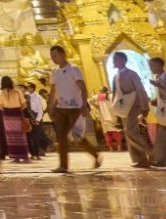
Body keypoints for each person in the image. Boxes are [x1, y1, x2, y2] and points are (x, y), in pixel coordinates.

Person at [48, 45, 101, 173]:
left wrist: (83, 104)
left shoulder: (74, 69)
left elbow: (82, 87)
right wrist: (50, 106)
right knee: (61, 137)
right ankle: (63, 165)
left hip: (74, 107)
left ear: (63, 54)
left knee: (77, 137)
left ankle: (95, 155)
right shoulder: (54, 72)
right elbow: (54, 90)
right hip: (61, 107)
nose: (53, 58)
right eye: (52, 57)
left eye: (55, 55)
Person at [111, 51, 152, 167]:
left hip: (134, 105)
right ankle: (139, 159)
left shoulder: (131, 74)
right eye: (114, 59)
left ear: (123, 60)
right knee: (127, 131)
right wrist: (115, 110)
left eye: (116, 59)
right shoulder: (115, 76)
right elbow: (115, 94)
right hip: (123, 107)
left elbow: (140, 89)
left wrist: (144, 106)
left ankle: (149, 152)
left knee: (130, 130)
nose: (114, 61)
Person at [0, 76, 30, 162]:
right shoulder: (17, 92)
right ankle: (24, 154)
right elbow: (24, 105)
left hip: (7, 115)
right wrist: (18, 108)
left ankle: (15, 155)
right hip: (17, 113)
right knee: (21, 135)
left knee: (11, 136)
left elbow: (0, 107)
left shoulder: (0, 94)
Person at [89, 87, 122, 151]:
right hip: (113, 117)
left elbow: (90, 101)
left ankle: (111, 149)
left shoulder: (100, 97)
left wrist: (97, 106)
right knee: (116, 133)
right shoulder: (111, 96)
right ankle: (119, 148)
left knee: (107, 134)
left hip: (104, 118)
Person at [26, 83, 49, 159]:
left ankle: (38, 152)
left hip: (36, 115)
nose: (27, 89)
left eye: (28, 87)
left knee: (37, 135)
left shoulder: (38, 97)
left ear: (32, 88)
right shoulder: (25, 96)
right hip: (28, 116)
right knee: (29, 136)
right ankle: (32, 153)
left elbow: (40, 109)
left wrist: (38, 119)